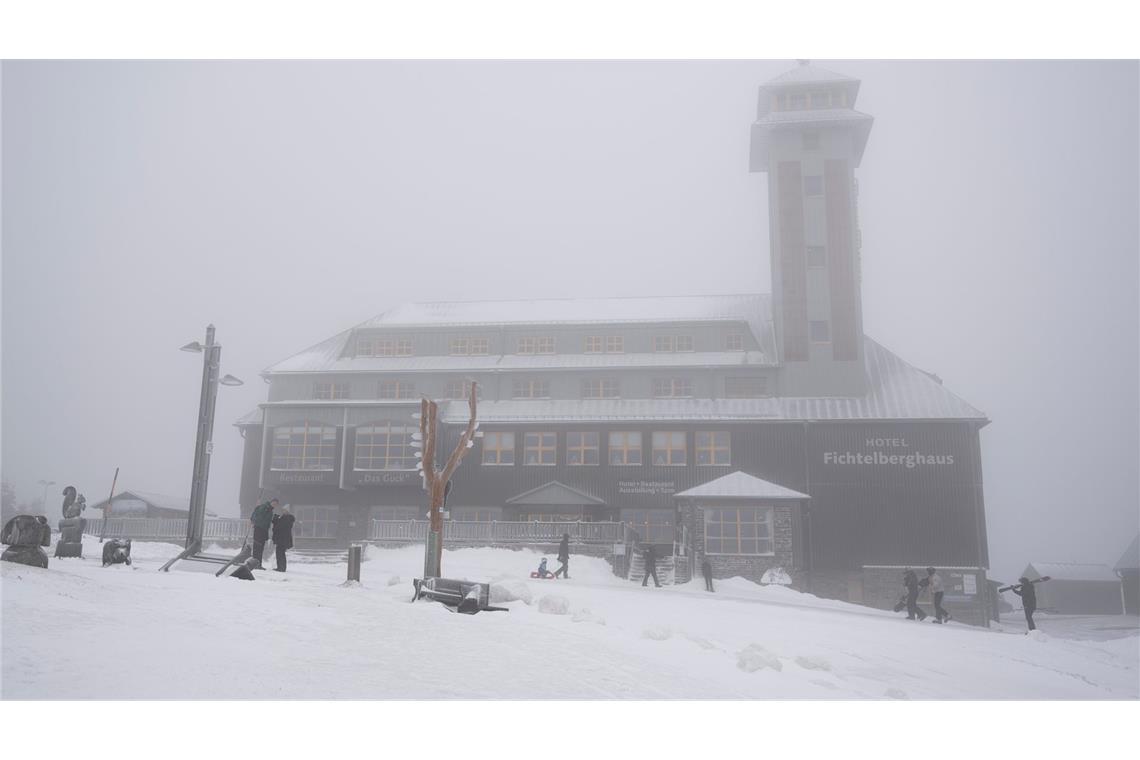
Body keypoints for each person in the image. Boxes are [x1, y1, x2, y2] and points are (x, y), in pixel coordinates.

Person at [249, 498, 278, 567]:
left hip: (264, 530)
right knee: (257, 547)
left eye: (276, 504)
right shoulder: (264, 507)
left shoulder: (270, 510)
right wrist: (255, 522)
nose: (274, 505)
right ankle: (255, 564)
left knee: (261, 548)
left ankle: (258, 564)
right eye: (274, 503)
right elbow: (259, 516)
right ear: (271, 502)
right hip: (259, 530)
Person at [271, 504, 295, 572]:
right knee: (279, 553)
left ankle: (281, 568)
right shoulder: (284, 518)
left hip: (283, 539)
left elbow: (280, 527)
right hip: (281, 538)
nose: (283, 511)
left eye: (284, 510)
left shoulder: (288, 518)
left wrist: (277, 521)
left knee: (280, 553)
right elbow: (277, 524)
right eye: (283, 510)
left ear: (287, 511)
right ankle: (280, 567)